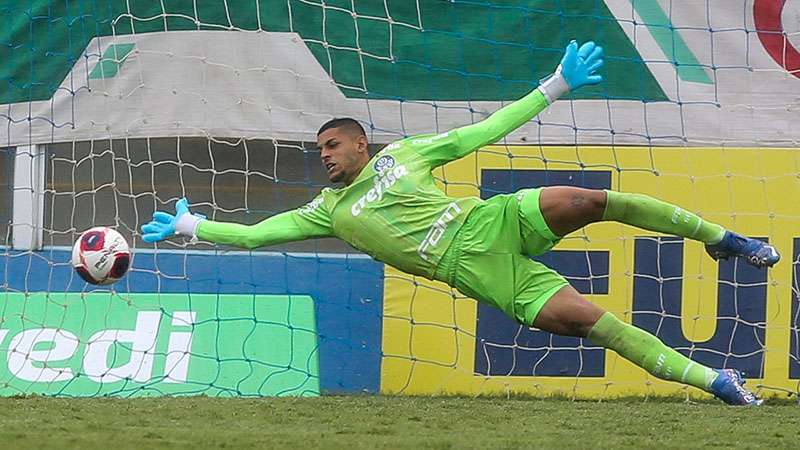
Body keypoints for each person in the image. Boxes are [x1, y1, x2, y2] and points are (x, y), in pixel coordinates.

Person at [141, 40, 778, 405]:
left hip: (493, 219)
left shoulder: (405, 154)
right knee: (593, 323)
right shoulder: (326, 212)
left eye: (331, 145)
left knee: (591, 200)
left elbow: (483, 131)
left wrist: (553, 86)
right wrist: (195, 226)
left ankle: (727, 240)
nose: (325, 156)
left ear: (359, 145)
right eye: (319, 152)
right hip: (475, 270)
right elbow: (255, 235)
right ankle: (715, 381)